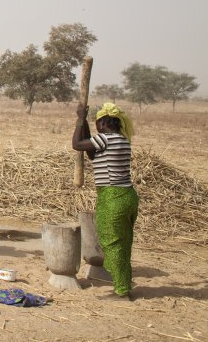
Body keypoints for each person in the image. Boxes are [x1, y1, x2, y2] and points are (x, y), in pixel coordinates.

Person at [71, 102, 138, 300]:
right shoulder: (121, 140)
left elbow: (77, 144)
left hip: (112, 198)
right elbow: (91, 152)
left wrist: (80, 119)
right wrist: (84, 123)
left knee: (112, 243)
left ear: (103, 123)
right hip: (128, 196)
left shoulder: (105, 139)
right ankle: (123, 284)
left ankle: (121, 291)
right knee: (123, 243)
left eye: (97, 122)